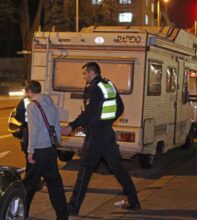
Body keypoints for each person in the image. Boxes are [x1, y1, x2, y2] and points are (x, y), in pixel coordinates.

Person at [62, 62, 141, 216]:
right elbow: (120, 107)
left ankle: (73, 207)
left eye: (84, 73)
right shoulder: (108, 84)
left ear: (91, 73)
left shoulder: (94, 88)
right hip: (107, 134)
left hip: (96, 135)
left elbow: (89, 113)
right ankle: (134, 202)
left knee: (85, 170)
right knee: (119, 169)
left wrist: (71, 126)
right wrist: (108, 121)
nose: (83, 76)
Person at [24, 80, 68, 220]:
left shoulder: (32, 106)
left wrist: (30, 151)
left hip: (39, 149)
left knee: (29, 184)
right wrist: (56, 143)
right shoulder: (50, 103)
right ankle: (62, 215)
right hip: (50, 149)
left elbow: (33, 130)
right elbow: (56, 125)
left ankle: (21, 213)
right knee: (55, 183)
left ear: (29, 91)